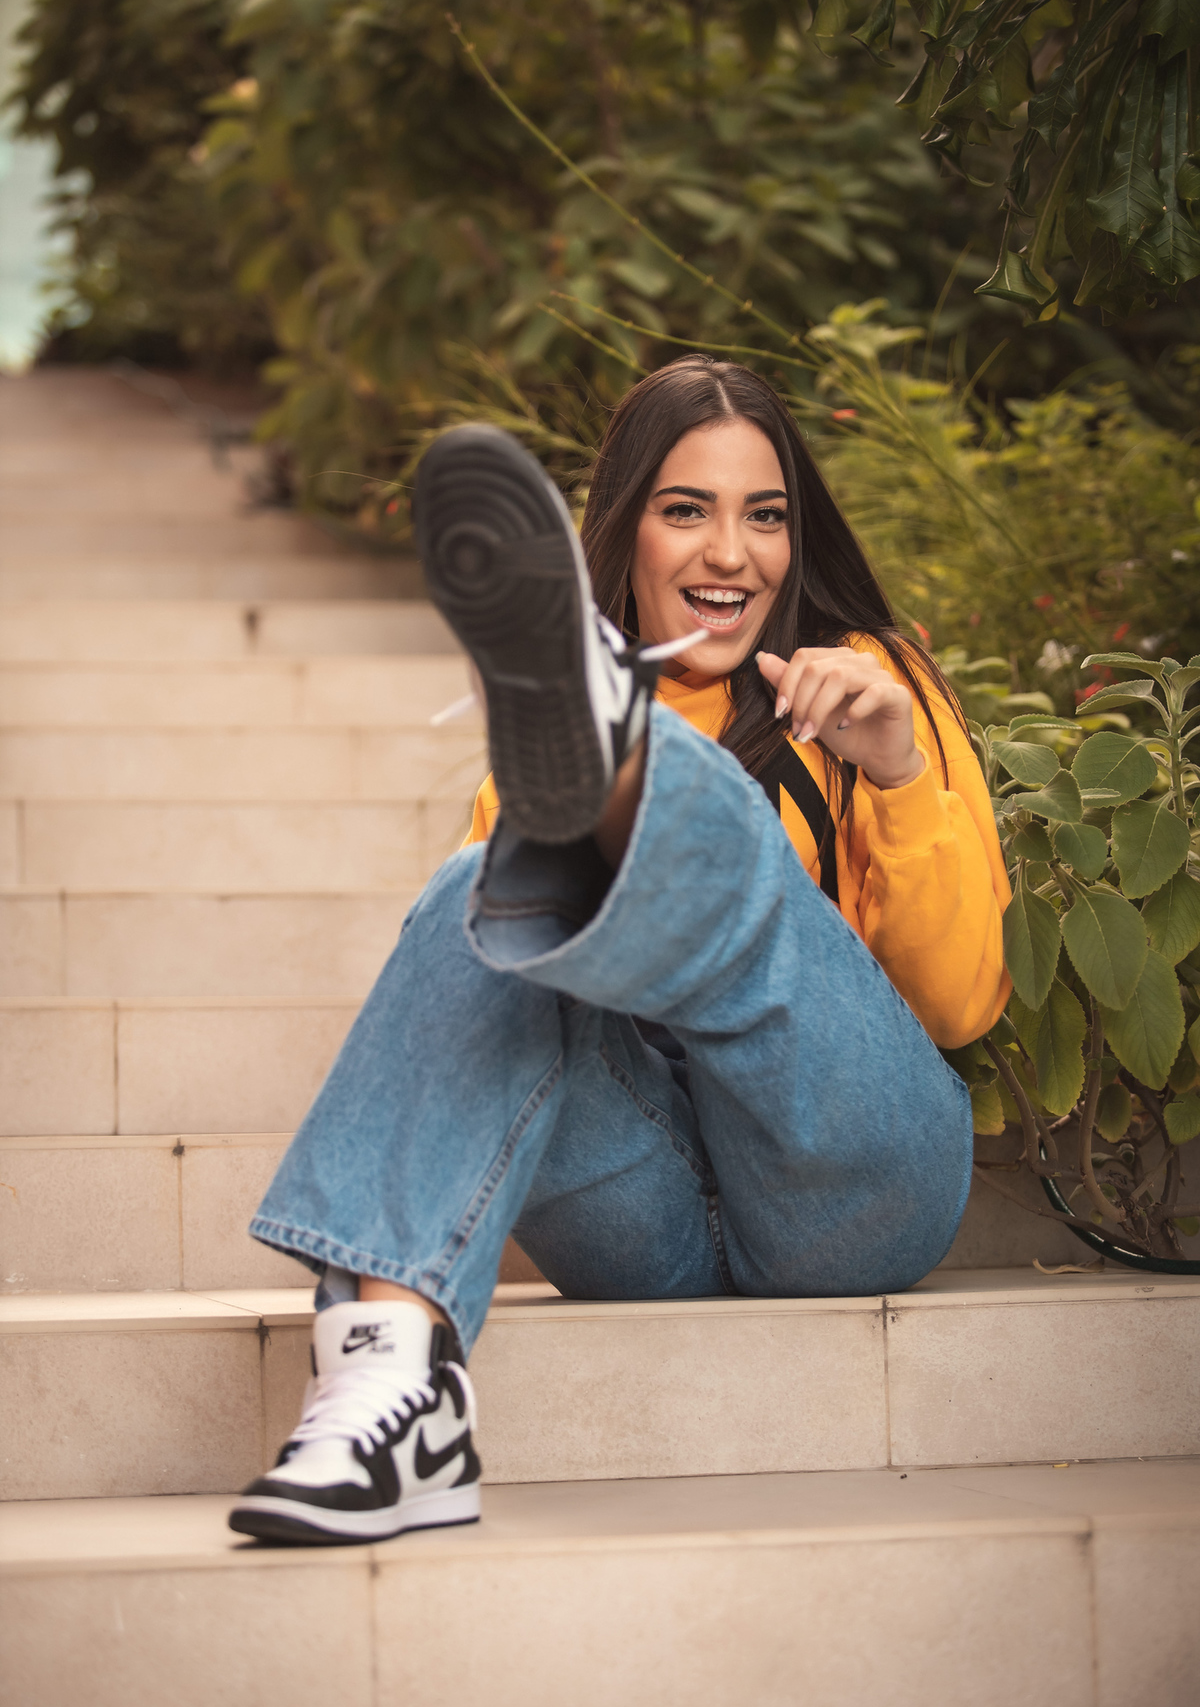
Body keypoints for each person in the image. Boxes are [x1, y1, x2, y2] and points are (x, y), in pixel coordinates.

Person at [229, 356, 1009, 1547]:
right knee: (482, 893)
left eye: (766, 516)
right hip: (644, 1218)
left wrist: (897, 774)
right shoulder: (522, 767)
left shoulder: (870, 688)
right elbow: (479, 1030)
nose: (731, 555)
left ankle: (638, 775)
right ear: (626, 529)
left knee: (716, 854)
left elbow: (954, 1011)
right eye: (685, 510)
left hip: (854, 1186)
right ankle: (392, 1377)